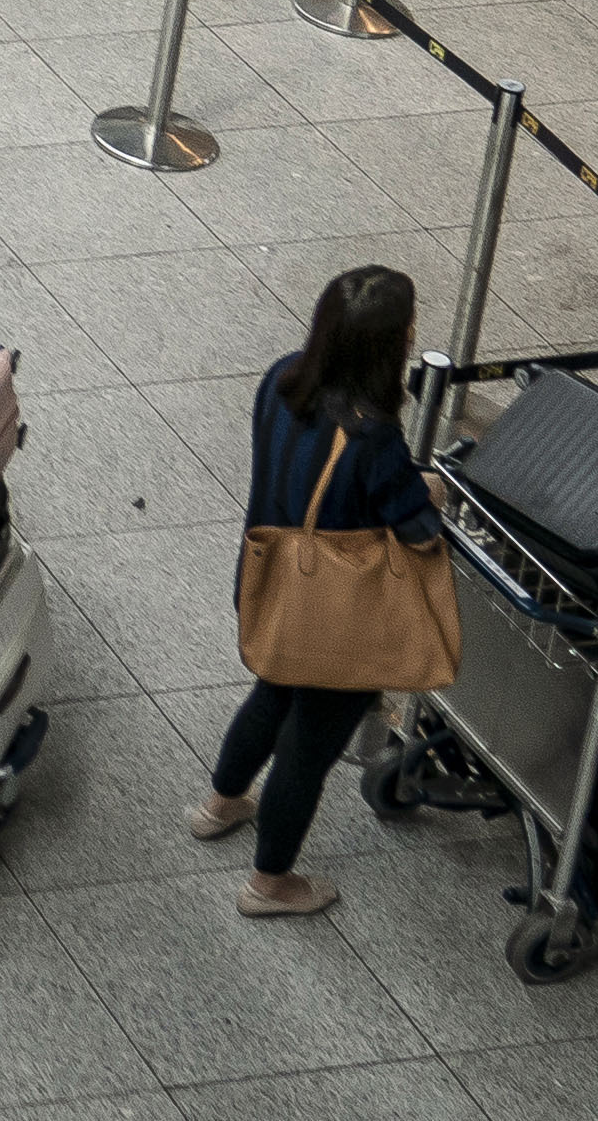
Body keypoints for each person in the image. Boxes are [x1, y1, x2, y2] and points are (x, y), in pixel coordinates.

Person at [194, 264, 438, 919]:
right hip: (334, 622)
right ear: (392, 343)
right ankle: (269, 882)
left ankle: (221, 802)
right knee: (308, 747)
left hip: (269, 585)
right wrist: (428, 491)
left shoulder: (282, 376)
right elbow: (416, 529)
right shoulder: (374, 435)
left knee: (271, 694)